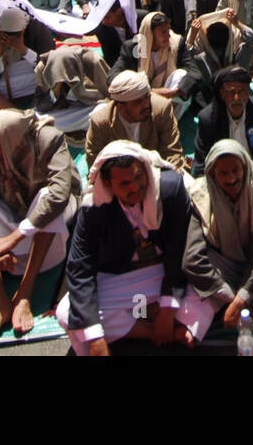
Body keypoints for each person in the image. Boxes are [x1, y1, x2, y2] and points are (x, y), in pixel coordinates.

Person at [57, 140, 208, 355]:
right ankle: (148, 329)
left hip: (168, 271)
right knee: (66, 313)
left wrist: (166, 310)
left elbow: (179, 251)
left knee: (210, 288)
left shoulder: (170, 189)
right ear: (108, 185)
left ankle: (153, 318)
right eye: (125, 184)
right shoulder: (93, 209)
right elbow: (80, 270)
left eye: (139, 177)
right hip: (125, 277)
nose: (135, 188)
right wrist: (96, 339)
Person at [0, 107, 79, 347]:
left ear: (9, 138)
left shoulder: (49, 141)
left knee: (46, 197)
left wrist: (13, 238)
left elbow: (59, 193)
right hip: (16, 213)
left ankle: (24, 292)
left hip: (51, 226)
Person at [183, 139, 253, 333]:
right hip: (223, 266)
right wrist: (235, 299)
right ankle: (248, 297)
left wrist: (242, 297)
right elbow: (193, 259)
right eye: (223, 173)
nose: (231, 178)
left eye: (236, 170)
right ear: (212, 173)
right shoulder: (200, 194)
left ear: (245, 167)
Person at [193, 65, 253, 177]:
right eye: (231, 92)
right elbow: (201, 161)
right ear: (222, 94)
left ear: (248, 92)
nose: (236, 98)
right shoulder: (208, 118)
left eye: (242, 92)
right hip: (224, 175)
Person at [85, 70, 187, 172]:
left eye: (147, 97)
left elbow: (172, 153)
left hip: (157, 171)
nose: (146, 105)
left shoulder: (161, 108)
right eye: (137, 102)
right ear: (121, 107)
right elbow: (95, 164)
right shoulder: (101, 122)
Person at [0, 7, 55, 112]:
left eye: (15, 35)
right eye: (7, 35)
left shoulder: (39, 30)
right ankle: (16, 112)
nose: (10, 39)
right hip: (9, 77)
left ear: (23, 31)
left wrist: (23, 50)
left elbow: (50, 65)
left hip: (34, 75)